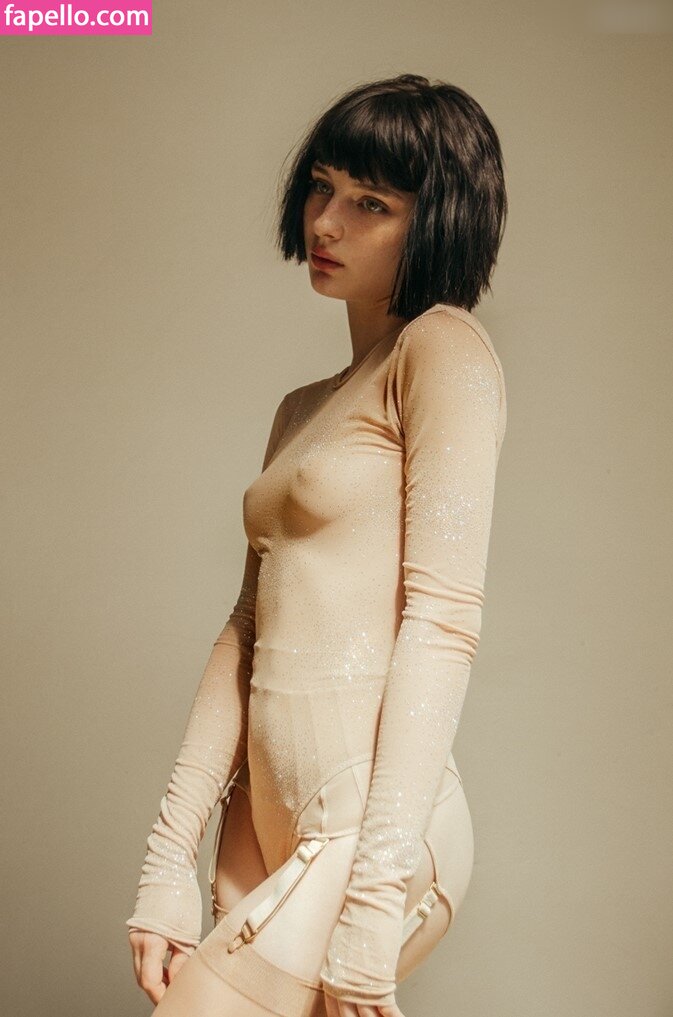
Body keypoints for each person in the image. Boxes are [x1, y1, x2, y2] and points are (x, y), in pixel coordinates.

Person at [126, 72, 508, 1017]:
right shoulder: (301, 409)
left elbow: (441, 623)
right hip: (265, 815)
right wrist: (167, 861)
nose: (326, 221)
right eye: (322, 186)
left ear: (436, 222)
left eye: (371, 202)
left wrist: (373, 901)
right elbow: (245, 628)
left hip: (369, 826)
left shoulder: (442, 349)